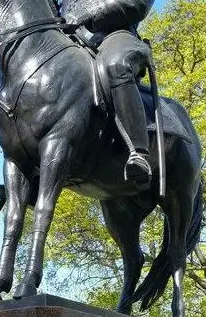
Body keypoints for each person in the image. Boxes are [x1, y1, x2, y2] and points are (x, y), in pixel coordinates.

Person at [63, 0, 155, 187]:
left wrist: (89, 14)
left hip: (118, 35)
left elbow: (135, 4)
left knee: (116, 65)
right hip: (75, 42)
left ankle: (138, 153)